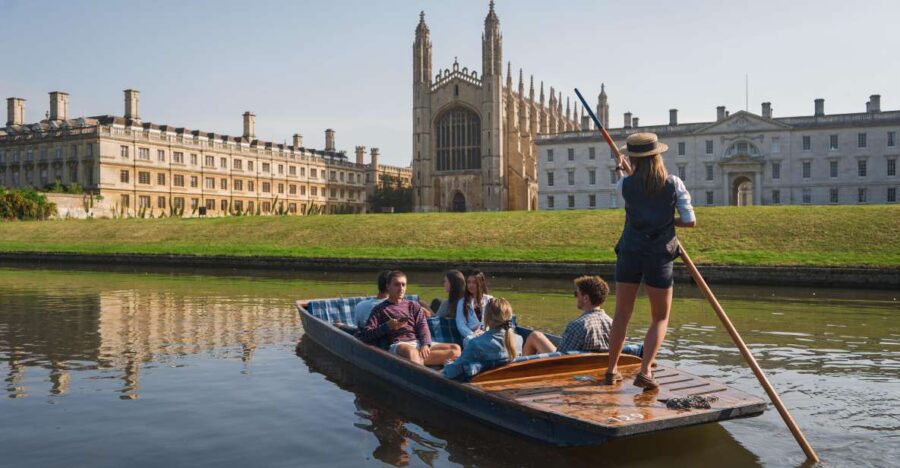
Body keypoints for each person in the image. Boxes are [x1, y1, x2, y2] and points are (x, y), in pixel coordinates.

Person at [605, 132, 695, 390]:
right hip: (659, 255)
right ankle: (645, 371)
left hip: (630, 252)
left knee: (621, 314)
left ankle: (611, 370)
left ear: (633, 159)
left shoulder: (624, 184)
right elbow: (690, 221)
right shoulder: (673, 183)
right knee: (660, 318)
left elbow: (632, 200)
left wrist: (622, 171)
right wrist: (667, 221)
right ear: (657, 156)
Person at [522, 275, 643, 358]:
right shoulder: (613, 324)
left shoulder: (578, 325)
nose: (576, 297)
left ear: (585, 298)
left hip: (568, 367)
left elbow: (560, 356)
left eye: (577, 294)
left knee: (535, 336)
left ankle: (520, 372)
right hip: (596, 366)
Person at [358, 271, 461, 365]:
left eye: (403, 285)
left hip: (417, 342)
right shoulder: (379, 309)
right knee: (411, 352)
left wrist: (425, 344)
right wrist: (387, 326)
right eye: (397, 284)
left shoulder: (413, 306)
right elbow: (366, 335)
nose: (401, 288)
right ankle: (421, 368)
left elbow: (423, 326)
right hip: (399, 344)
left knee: (456, 349)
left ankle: (417, 361)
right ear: (388, 286)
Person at [443, 297, 523, 381]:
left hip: (481, 385)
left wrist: (448, 364)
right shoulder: (518, 340)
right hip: (506, 382)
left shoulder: (476, 344)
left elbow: (451, 373)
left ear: (486, 318)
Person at [454, 270, 494, 345]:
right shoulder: (462, 302)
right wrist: (473, 334)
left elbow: (494, 320)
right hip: (471, 337)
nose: (470, 285)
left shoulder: (490, 300)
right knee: (469, 340)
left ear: (481, 283)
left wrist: (484, 332)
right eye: (468, 282)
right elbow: (460, 325)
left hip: (487, 334)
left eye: (474, 282)